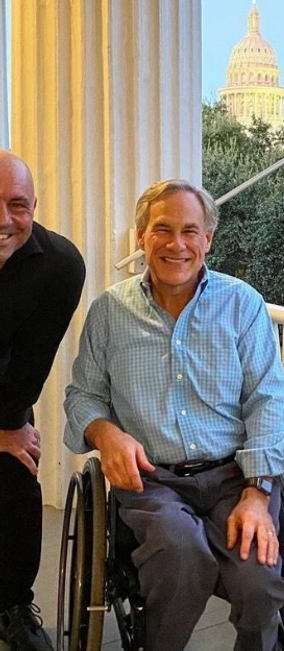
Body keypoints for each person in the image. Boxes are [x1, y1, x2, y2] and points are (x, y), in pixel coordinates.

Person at [63, 180, 284, 651]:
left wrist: (257, 493)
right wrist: (106, 433)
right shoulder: (109, 312)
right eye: (162, 229)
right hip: (154, 481)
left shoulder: (241, 304)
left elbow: (267, 399)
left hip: (236, 477)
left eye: (190, 231)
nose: (177, 244)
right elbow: (82, 395)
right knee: (180, 555)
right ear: (140, 236)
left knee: (257, 581)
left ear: (208, 238)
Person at [0, 151, 86, 651]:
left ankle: (11, 604)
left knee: (17, 474)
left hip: (2, 392)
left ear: (34, 205)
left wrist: (9, 427)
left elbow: (31, 364)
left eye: (17, 205)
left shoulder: (59, 264)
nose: (4, 220)